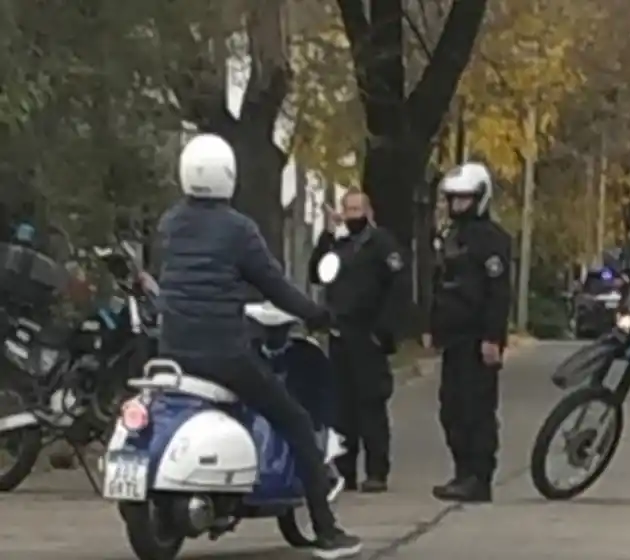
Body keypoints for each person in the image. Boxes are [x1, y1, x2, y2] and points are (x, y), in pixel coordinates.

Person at [156, 133, 361, 559]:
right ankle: (327, 531)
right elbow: (275, 285)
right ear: (228, 175)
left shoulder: (170, 223)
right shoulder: (238, 230)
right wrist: (317, 315)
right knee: (297, 421)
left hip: (172, 349)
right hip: (223, 354)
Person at [424, 162, 512, 503]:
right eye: (453, 199)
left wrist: (493, 337)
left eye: (464, 199)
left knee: (477, 409)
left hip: (478, 338)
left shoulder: (492, 240)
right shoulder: (450, 237)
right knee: (451, 408)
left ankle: (479, 477)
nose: (457, 205)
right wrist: (432, 327)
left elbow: (498, 292)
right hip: (454, 337)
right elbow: (439, 285)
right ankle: (461, 471)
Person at [308, 190, 405, 493]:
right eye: (347, 210)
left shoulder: (381, 244)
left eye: (357, 209)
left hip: (369, 335)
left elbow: (397, 287)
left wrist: (384, 331)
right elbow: (316, 274)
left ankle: (377, 471)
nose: (352, 215)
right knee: (341, 407)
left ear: (368, 211)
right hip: (340, 335)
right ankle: (345, 471)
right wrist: (326, 235)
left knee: (371, 404)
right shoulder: (340, 245)